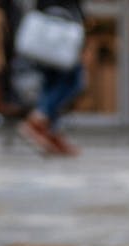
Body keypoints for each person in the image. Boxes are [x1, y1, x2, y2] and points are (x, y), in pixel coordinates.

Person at [16, 0, 85, 157]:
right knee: (74, 80)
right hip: (60, 28)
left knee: (52, 82)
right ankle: (38, 119)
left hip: (48, 28)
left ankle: (50, 132)